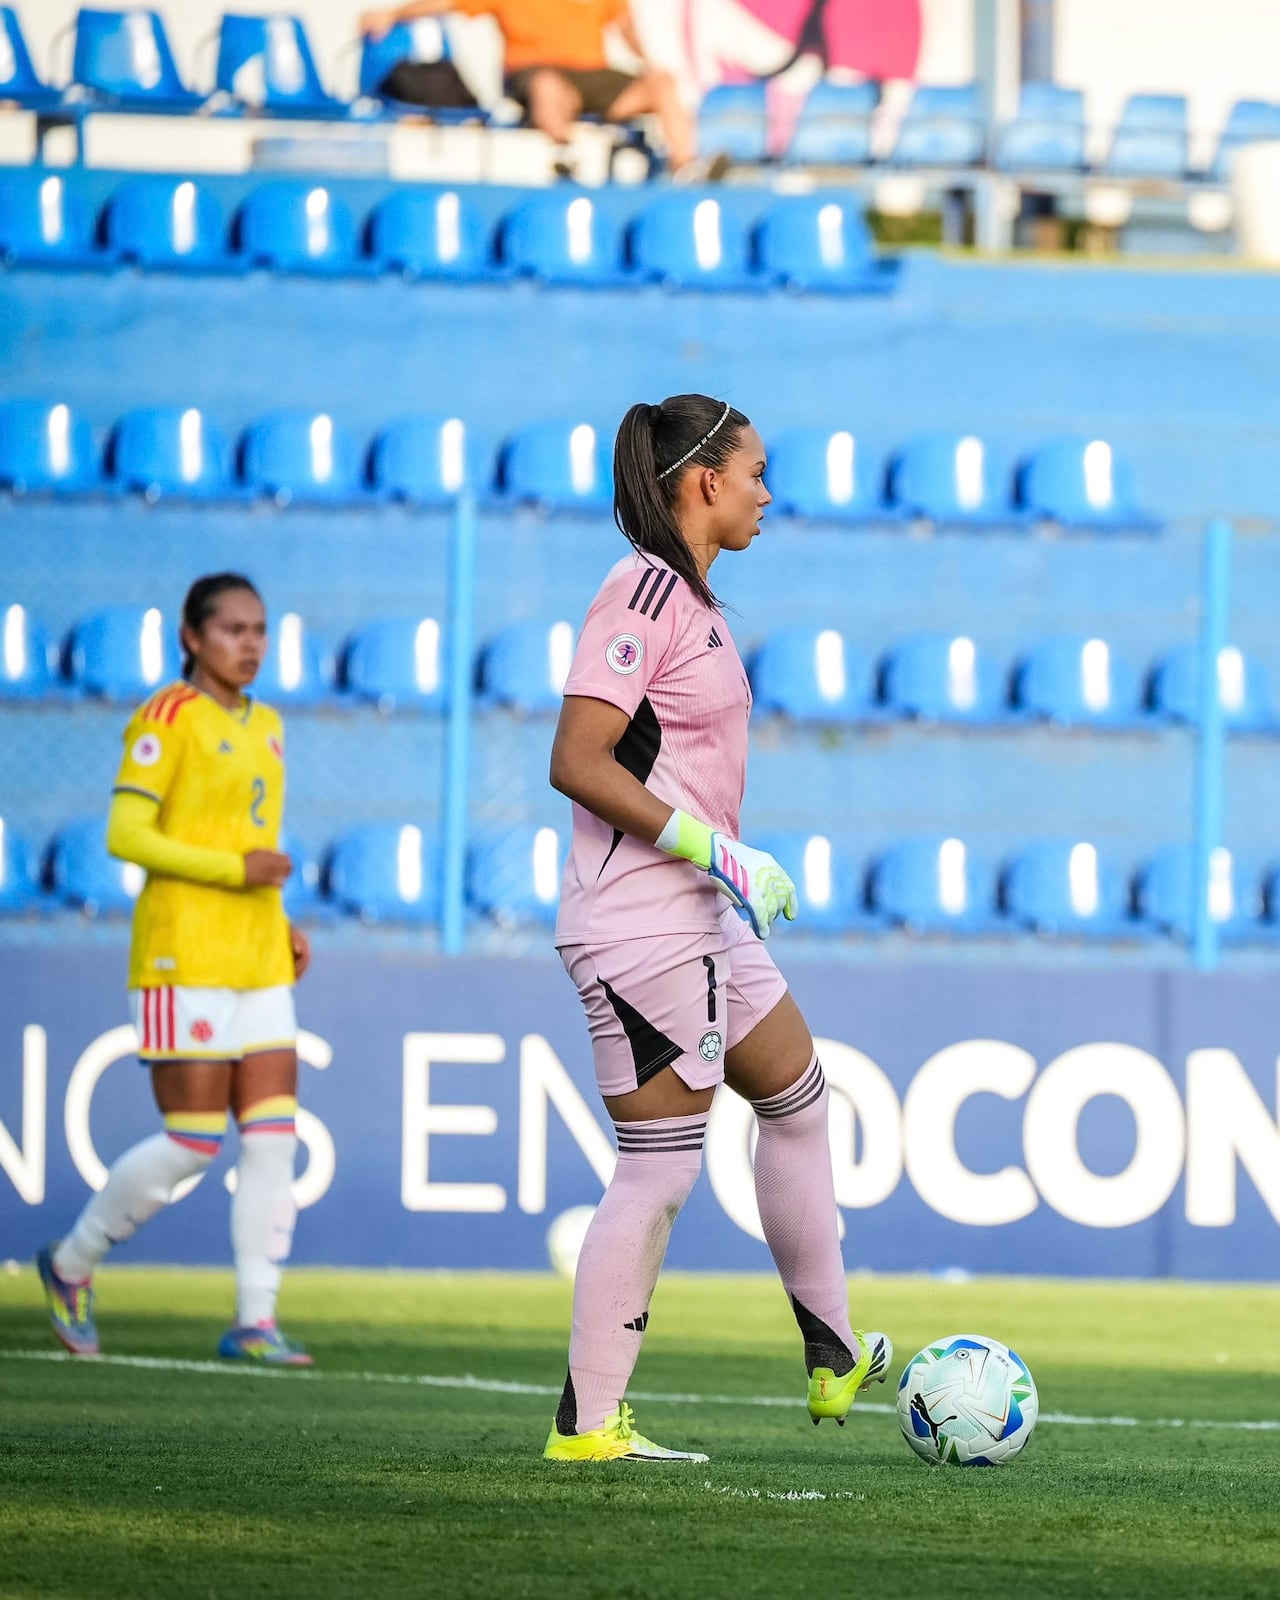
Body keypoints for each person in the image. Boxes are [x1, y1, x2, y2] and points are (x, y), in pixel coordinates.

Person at [542, 394, 891, 1462]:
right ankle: (588, 1423)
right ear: (703, 482)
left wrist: (721, 867)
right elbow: (576, 759)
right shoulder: (640, 590)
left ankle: (830, 1350)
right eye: (754, 474)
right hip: (643, 920)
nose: (765, 494)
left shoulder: (695, 602)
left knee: (795, 1092)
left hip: (701, 914)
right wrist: (712, 848)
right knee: (659, 1165)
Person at [37, 574, 313, 1368]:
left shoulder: (269, 724)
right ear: (191, 636)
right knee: (193, 1144)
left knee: (272, 1141)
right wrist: (236, 871)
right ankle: (70, 1264)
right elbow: (126, 834)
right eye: (232, 630)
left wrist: (280, 920)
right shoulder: (165, 718)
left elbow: (253, 838)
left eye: (260, 630)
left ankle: (255, 1321)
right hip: (181, 953)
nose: (250, 644)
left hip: (258, 955)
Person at [358, 0, 696, 172]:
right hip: (534, 72)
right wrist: (392, 15)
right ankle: (568, 159)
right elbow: (447, 4)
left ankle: (684, 169)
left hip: (595, 74)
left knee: (662, 82)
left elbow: (626, 25)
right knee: (548, 87)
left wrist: (650, 61)